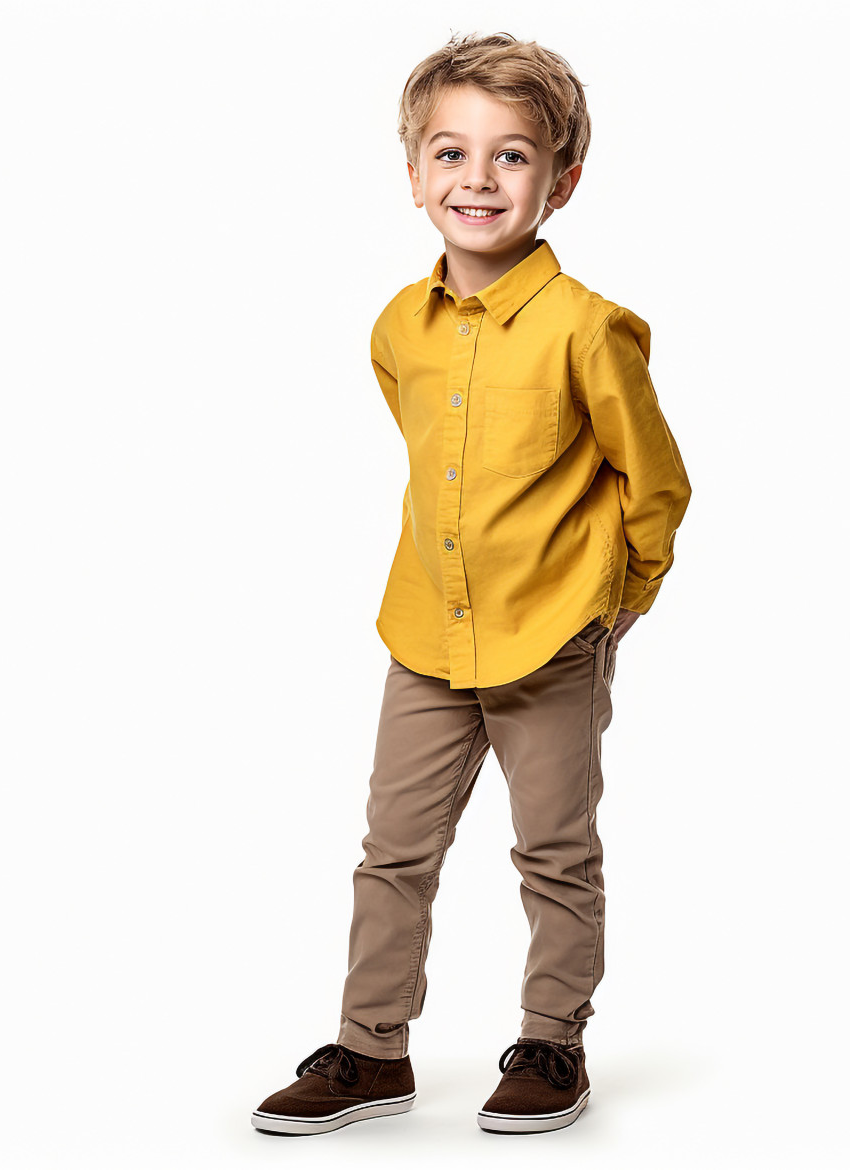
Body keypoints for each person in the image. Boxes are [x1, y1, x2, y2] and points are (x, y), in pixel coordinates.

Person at [251, 30, 691, 1137]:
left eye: (511, 156)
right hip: (423, 637)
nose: (476, 179)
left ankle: (551, 1040)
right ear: (412, 176)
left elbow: (655, 479)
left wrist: (616, 599)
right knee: (391, 851)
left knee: (552, 850)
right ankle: (369, 1052)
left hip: (548, 634)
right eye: (450, 153)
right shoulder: (399, 327)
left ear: (561, 179)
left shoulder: (590, 330)